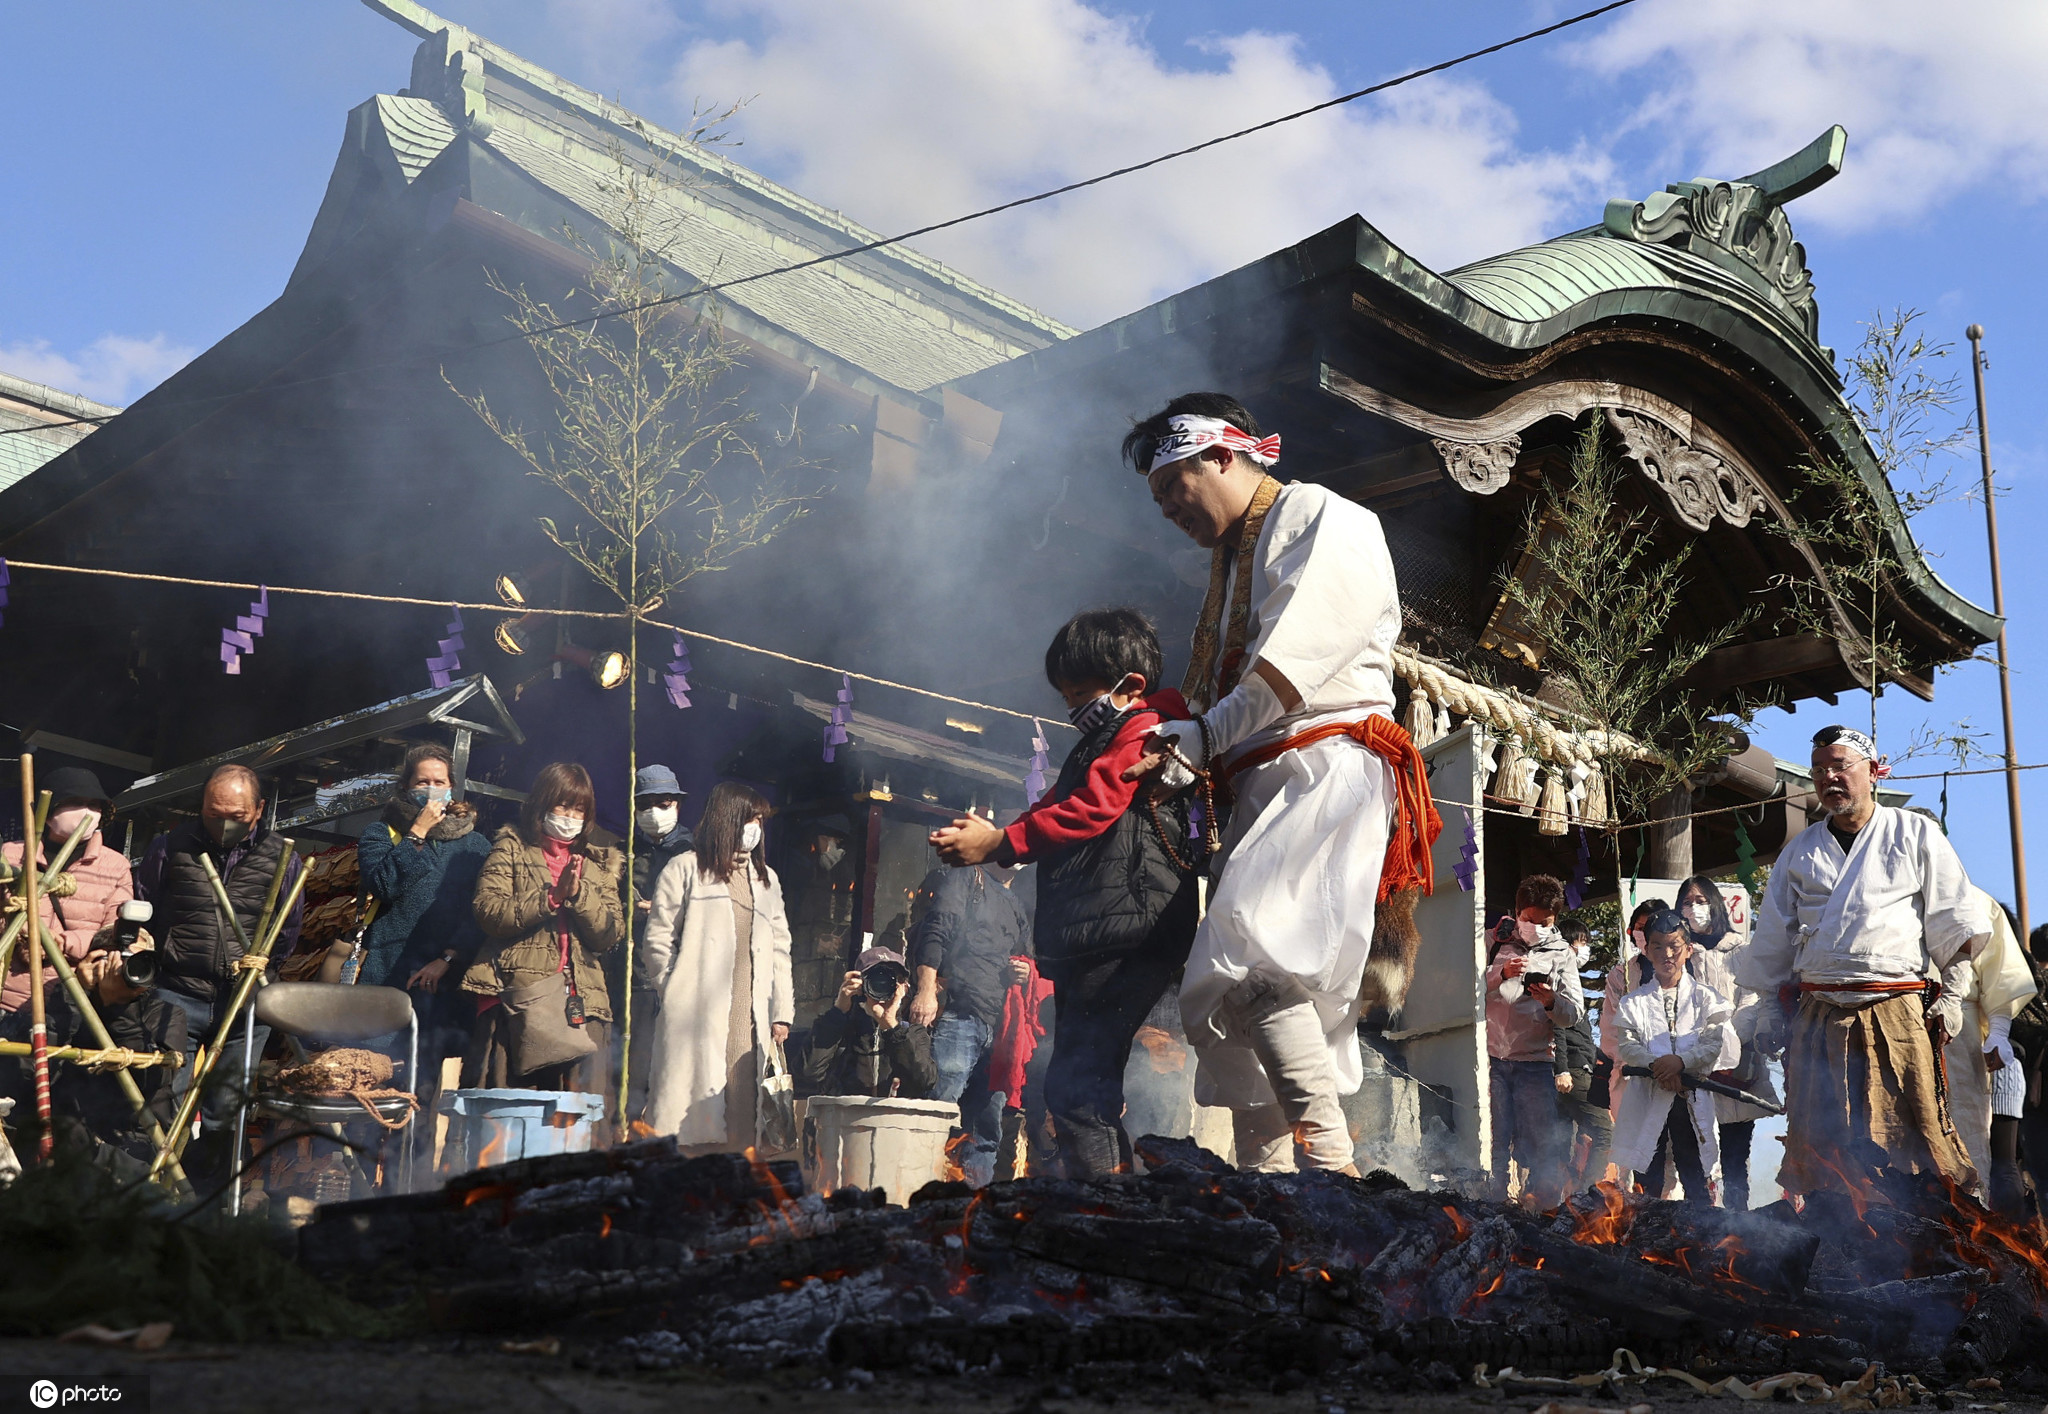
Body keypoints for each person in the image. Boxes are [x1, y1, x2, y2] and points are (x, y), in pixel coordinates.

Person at [1119, 393, 1438, 1174]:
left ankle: (1327, 1163)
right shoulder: (1231, 564)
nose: (1167, 510)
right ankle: (1271, 1174)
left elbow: (1297, 657)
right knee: (1240, 985)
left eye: (1172, 487)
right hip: (1268, 782)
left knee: (1255, 955)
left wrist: (1206, 733)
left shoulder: (1322, 515)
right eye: (1157, 499)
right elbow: (1209, 696)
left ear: (1223, 453)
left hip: (1324, 767)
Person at [929, 607, 1199, 1177]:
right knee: (1078, 1088)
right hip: (1099, 931)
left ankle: (1110, 1216)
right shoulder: (1100, 741)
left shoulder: (1142, 730)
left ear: (1130, 687)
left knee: (1079, 1090)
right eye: (1066, 695)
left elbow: (1093, 808)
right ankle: (1106, 1207)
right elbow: (1052, 806)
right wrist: (996, 836)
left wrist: (1002, 842)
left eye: (1080, 692)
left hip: (1124, 930)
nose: (1072, 707)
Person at [1737, 726, 1989, 1197]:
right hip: (1819, 1011)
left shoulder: (1915, 833)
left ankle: (1929, 1223)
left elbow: (1952, 922)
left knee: (1913, 1130)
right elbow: (1773, 940)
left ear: (1874, 772)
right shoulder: (1800, 850)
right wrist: (1770, 1008)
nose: (1829, 777)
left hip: (1895, 1007)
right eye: (1819, 770)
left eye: (1840, 766)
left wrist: (1952, 995)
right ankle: (1832, 1224)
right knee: (1823, 1135)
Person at [135, 764, 303, 1156]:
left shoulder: (282, 856)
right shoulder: (170, 847)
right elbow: (147, 906)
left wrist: (261, 964)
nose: (223, 824)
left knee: (227, 1113)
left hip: (245, 1004)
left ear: (258, 810)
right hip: (177, 992)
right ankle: (160, 1195)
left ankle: (211, 1202)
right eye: (214, 814)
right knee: (164, 1105)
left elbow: (288, 927)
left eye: (236, 817)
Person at [640, 781, 795, 1152]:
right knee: (692, 1123)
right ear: (728, 819)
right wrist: (675, 991)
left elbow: (780, 948)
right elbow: (658, 940)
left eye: (760, 820)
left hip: (751, 1018)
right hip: (695, 1018)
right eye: (750, 818)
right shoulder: (685, 869)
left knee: (744, 1115)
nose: (756, 827)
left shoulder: (766, 879)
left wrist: (782, 1012)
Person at [463, 763, 626, 1094]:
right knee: (511, 1114)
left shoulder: (598, 864)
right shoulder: (511, 847)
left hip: (582, 1001)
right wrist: (552, 897)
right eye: (562, 805)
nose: (570, 816)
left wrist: (578, 895)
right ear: (542, 803)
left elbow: (611, 933)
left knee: (580, 1117)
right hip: (518, 998)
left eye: (578, 808)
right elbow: (488, 911)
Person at [0, 929, 183, 1175]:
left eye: (140, 961)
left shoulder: (165, 1015)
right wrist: (75, 993)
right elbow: (33, 1072)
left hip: (132, 1144)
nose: (130, 971)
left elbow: (152, 1083)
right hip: (67, 1142)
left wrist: (119, 1009)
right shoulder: (65, 1004)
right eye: (121, 961)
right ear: (97, 962)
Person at [908, 858, 1030, 1185]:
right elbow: (936, 931)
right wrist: (925, 992)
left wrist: (1027, 972)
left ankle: (973, 1204)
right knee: (939, 1112)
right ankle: (920, 1190)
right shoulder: (966, 878)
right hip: (961, 1014)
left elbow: (1028, 957)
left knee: (986, 1127)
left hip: (1001, 1028)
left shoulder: (1016, 904)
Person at [1612, 912, 1738, 1203]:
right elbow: (1628, 1046)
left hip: (1689, 1095)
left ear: (1688, 950)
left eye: (1674, 946)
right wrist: (1657, 1065)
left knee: (1693, 1169)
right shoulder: (1633, 1002)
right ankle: (1646, 1232)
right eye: (1657, 946)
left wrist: (1680, 1063)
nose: (1667, 954)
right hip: (1648, 1093)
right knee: (1648, 1173)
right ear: (1646, 951)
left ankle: (1701, 1233)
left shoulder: (1707, 998)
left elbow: (1711, 1045)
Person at [1674, 875, 1776, 1210]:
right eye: (1687, 902)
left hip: (1734, 1063)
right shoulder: (1677, 955)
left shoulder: (1741, 951)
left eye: (1701, 900)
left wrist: (1726, 1038)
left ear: (1717, 905)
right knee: (1690, 1151)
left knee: (1735, 1157)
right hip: (1689, 1064)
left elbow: (1752, 1000)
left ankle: (1738, 1227)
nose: (1694, 908)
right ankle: (1699, 1220)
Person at [1483, 874, 1585, 1204]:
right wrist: (1501, 974)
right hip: (1490, 1060)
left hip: (1536, 1064)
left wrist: (1551, 1001)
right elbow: (1462, 991)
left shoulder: (1562, 953)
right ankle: (1492, 1205)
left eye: (1546, 922)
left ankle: (1542, 1210)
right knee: (1493, 1142)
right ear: (1516, 911)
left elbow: (1575, 1013)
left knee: (1543, 1144)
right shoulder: (1492, 940)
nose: (1537, 927)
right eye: (1530, 920)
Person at [1, 768, 133, 1014]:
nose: (87, 811)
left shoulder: (115, 866)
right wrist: (24, 936)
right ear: (48, 812)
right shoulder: (11, 855)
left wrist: (60, 943)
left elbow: (114, 930)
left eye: (94, 805)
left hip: (69, 999)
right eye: (75, 802)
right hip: (7, 996)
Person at [1940, 891, 2036, 1218]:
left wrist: (1997, 1032)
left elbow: (2002, 979)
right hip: (1891, 1021)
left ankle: (1975, 1232)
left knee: (1982, 1154)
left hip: (1964, 1041)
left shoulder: (1975, 902)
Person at [624, 764, 694, 1116]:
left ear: (677, 805)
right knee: (633, 1074)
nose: (654, 812)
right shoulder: (625, 853)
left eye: (663, 803)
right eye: (645, 804)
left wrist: (666, 912)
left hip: (680, 978)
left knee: (674, 1075)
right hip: (635, 979)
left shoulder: (696, 855)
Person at [802, 945, 937, 1099]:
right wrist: (838, 1011)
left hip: (895, 1120)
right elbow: (810, 1073)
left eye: (894, 979)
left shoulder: (912, 1032)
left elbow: (924, 1081)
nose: (883, 985)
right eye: (875, 979)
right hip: (846, 1118)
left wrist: (891, 1027)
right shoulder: (843, 1028)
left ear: (904, 988)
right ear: (859, 985)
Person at [1552, 918, 1612, 1192]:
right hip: (1573, 1073)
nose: (1584, 949)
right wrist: (1561, 1069)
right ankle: (1590, 1195)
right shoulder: (1560, 981)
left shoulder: (1570, 981)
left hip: (1576, 1069)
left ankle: (1554, 1197)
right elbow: (1558, 1027)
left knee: (1560, 1142)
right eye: (1581, 943)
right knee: (1604, 1133)